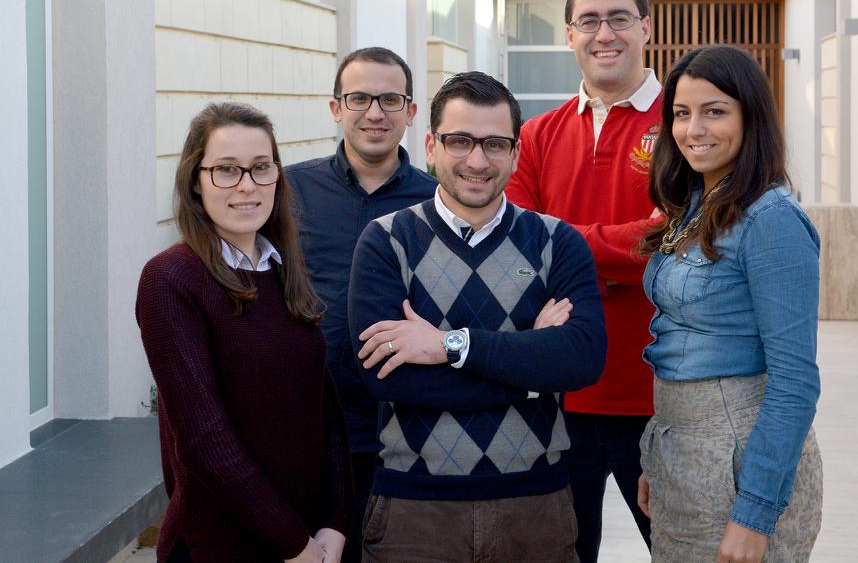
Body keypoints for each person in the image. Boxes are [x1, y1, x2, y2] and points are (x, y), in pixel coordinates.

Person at [348, 72, 608, 562]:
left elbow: (581, 360)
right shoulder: (386, 241)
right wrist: (530, 374)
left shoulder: (558, 242)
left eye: (494, 143)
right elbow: (387, 378)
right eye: (460, 141)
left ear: (516, 152)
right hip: (415, 511)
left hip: (536, 508)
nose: (477, 160)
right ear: (431, 146)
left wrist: (447, 346)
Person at [136, 102, 353, 563]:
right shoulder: (171, 279)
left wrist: (335, 524)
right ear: (196, 180)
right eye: (227, 170)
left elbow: (325, 409)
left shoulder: (283, 267)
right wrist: (296, 545)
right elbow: (204, 440)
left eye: (261, 167)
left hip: (311, 540)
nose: (247, 185)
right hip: (220, 546)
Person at [636, 45, 824, 563]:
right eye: (681, 113)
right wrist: (660, 455)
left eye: (714, 111)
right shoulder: (697, 204)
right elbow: (680, 340)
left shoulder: (771, 220)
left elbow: (795, 382)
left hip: (741, 468)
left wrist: (754, 515)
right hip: (685, 459)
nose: (693, 129)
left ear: (750, 117)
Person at [505, 0, 657, 561]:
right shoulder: (537, 135)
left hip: (656, 395)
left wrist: (563, 253)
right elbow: (516, 245)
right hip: (557, 395)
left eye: (619, 18)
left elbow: (669, 241)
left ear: (645, 26)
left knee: (677, 550)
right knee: (563, 554)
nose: (605, 34)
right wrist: (616, 256)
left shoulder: (683, 125)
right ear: (569, 34)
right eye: (589, 21)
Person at [285, 47, 437, 562]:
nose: (375, 112)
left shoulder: (439, 201)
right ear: (336, 108)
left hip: (406, 428)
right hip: (309, 425)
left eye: (390, 100)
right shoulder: (288, 191)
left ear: (411, 112)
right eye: (359, 99)